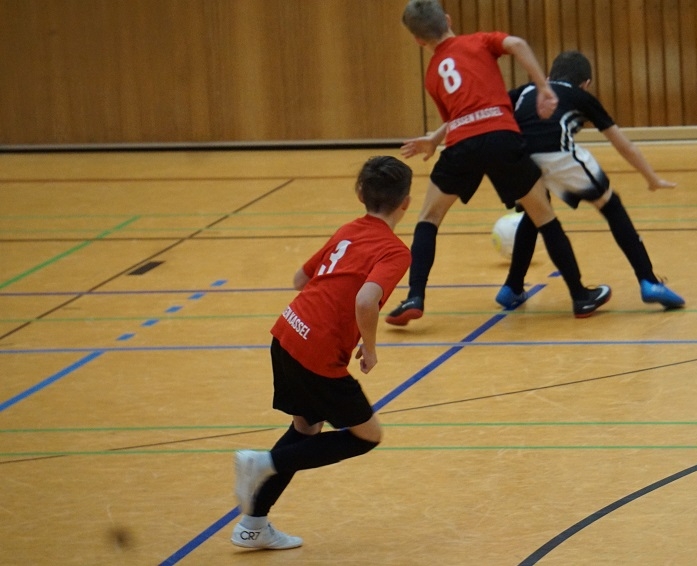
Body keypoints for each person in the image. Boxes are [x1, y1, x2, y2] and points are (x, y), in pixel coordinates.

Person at [387, 0, 611, 326]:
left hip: (463, 145)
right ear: (448, 19)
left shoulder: (433, 74)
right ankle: (580, 296)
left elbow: (460, 116)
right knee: (543, 216)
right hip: (502, 138)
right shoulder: (479, 41)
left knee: (429, 218)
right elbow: (517, 44)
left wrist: (435, 140)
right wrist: (544, 87)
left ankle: (415, 296)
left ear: (418, 40)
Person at [231, 156, 413, 550]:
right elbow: (366, 299)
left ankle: (252, 526)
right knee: (367, 436)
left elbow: (300, 279)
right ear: (406, 202)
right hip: (317, 353)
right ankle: (263, 462)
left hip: (286, 333)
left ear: (360, 194)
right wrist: (369, 346)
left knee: (306, 428)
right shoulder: (395, 251)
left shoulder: (349, 230)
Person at [495, 51, 685, 311]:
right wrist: (651, 178)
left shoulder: (526, 90)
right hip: (556, 154)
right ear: (586, 84)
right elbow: (623, 145)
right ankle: (649, 281)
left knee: (536, 213)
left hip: (515, 156)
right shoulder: (580, 96)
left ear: (547, 77)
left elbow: (489, 110)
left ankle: (512, 288)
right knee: (611, 205)